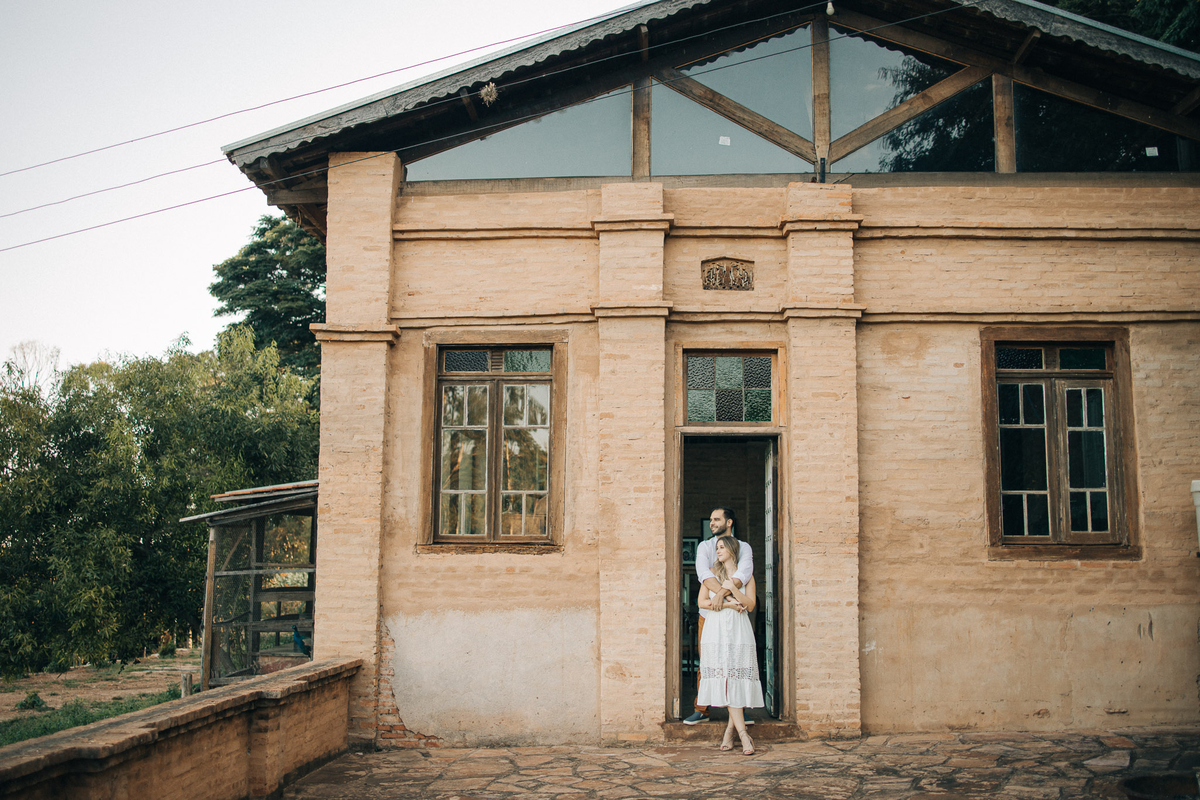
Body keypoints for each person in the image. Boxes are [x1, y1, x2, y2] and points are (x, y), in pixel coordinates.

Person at [684, 507, 754, 726]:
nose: (712, 523)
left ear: (729, 522)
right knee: (707, 662)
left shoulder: (743, 547)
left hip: (735, 618)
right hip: (709, 616)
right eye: (711, 520)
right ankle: (702, 709)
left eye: (716, 519)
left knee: (737, 661)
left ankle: (739, 710)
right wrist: (725, 599)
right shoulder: (705, 547)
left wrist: (722, 595)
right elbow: (704, 575)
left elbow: (743, 574)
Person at [696, 534, 763, 754]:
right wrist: (728, 605)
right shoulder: (712, 574)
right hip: (716, 630)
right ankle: (743, 735)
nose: (718, 551)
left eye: (722, 547)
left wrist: (733, 590)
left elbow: (750, 605)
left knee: (736, 678)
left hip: (739, 631)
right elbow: (702, 602)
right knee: (725, 678)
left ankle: (731, 732)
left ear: (733, 551)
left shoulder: (746, 577)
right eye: (717, 547)